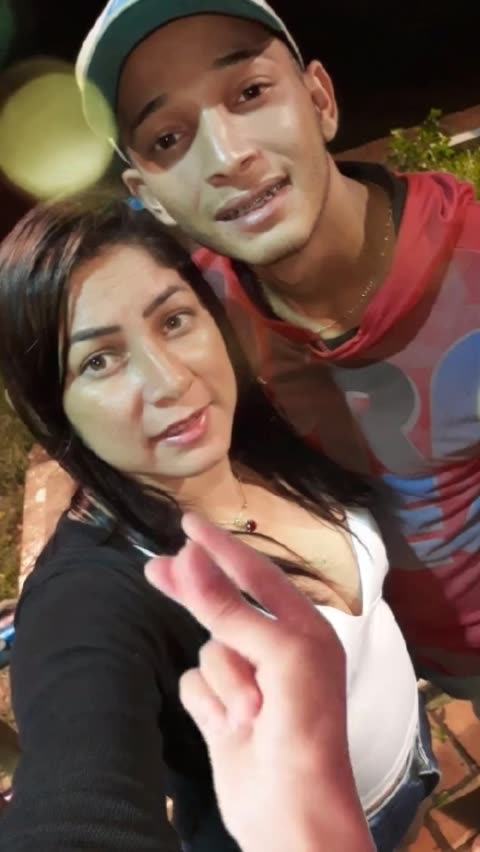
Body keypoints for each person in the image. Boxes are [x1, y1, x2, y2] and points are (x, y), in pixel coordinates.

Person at [76, 0, 480, 711]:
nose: (228, 157)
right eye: (168, 137)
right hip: (395, 667)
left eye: (250, 93)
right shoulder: (196, 325)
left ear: (320, 99)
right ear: (150, 197)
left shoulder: (468, 261)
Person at [0, 196, 437, 850]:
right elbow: (78, 798)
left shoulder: (262, 433)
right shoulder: (92, 596)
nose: (170, 380)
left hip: (412, 759)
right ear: (54, 408)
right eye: (99, 360)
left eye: (174, 320)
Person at [145, 512, 376, 852]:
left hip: (410, 760)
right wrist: (308, 838)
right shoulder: (97, 587)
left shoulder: (315, 479)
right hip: (370, 806)